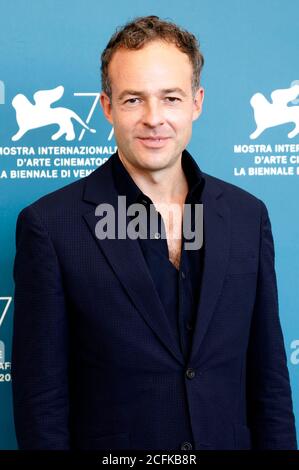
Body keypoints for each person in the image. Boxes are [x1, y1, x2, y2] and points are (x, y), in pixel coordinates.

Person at [12, 15, 297, 450]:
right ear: (107, 107)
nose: (154, 118)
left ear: (196, 102)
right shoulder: (50, 227)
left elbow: (270, 382)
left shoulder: (246, 216)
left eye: (171, 98)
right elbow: (42, 404)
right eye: (133, 100)